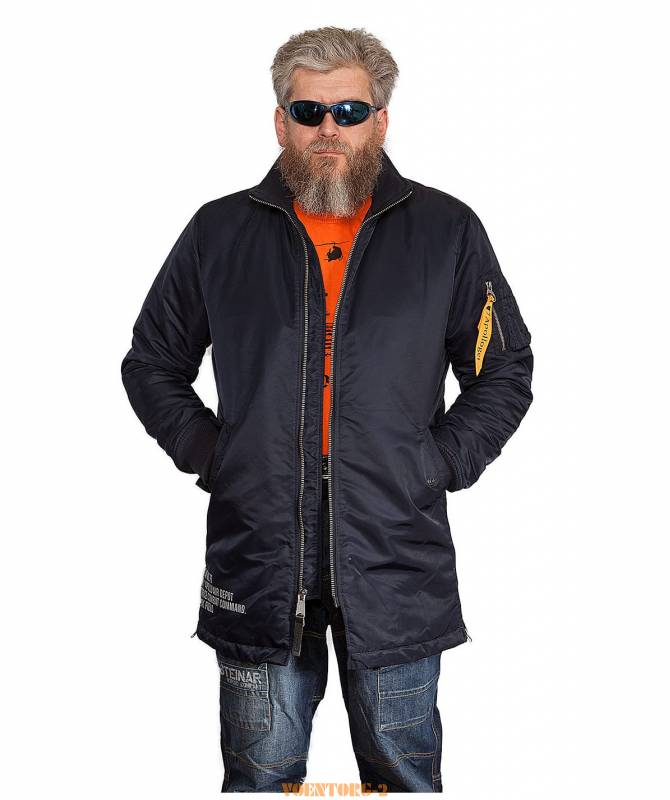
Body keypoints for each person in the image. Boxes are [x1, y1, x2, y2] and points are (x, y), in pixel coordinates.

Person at [121, 25, 534, 793]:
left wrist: (436, 463)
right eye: (308, 111)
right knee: (261, 777)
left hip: (395, 554)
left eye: (349, 111)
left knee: (403, 777)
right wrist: (217, 455)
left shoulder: (445, 232)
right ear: (280, 121)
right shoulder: (220, 232)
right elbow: (151, 364)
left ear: (381, 120)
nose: (328, 129)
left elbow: (502, 368)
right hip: (258, 552)